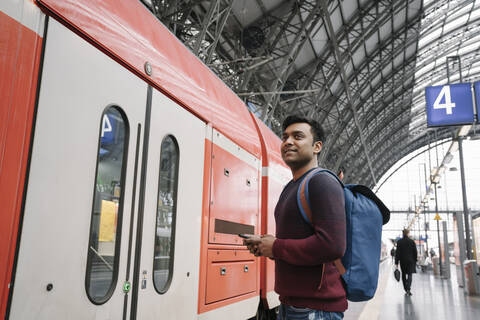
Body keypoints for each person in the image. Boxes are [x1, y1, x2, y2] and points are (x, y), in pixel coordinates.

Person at [244, 115, 346, 320]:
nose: (288, 141)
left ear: (317, 146)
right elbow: (296, 244)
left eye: (298, 136)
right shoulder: (291, 187)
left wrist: (276, 247)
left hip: (315, 310)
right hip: (291, 305)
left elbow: (332, 245)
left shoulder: (322, 182)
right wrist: (267, 246)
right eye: (285, 137)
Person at [395, 229, 417, 296]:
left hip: (403, 261)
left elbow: (397, 253)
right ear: (408, 233)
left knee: (403, 275)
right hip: (410, 261)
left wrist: (396, 262)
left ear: (403, 233)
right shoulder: (412, 241)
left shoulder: (399, 242)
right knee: (410, 275)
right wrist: (415, 260)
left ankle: (405, 288)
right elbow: (415, 252)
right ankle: (408, 289)